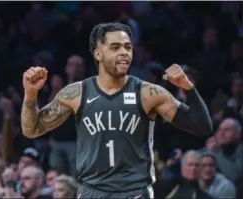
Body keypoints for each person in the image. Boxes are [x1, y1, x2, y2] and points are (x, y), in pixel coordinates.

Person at [21, 22, 212, 198]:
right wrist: (30, 95)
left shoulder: (148, 93)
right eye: (115, 47)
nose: (124, 53)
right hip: (92, 192)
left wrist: (189, 88)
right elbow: (32, 129)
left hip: (134, 192)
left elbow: (201, 126)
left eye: (127, 47)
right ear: (98, 53)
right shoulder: (76, 93)